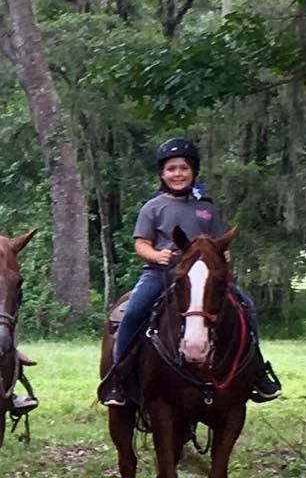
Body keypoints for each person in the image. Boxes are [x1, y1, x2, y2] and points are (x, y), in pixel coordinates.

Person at [98, 137, 282, 407]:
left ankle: (256, 371)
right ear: (162, 174)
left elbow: (219, 244)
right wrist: (156, 255)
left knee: (247, 306)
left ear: (193, 171)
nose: (178, 174)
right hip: (160, 275)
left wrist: (222, 258)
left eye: (183, 168)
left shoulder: (206, 209)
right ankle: (119, 376)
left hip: (204, 280)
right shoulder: (153, 207)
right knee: (135, 310)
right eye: (171, 169)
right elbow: (141, 244)